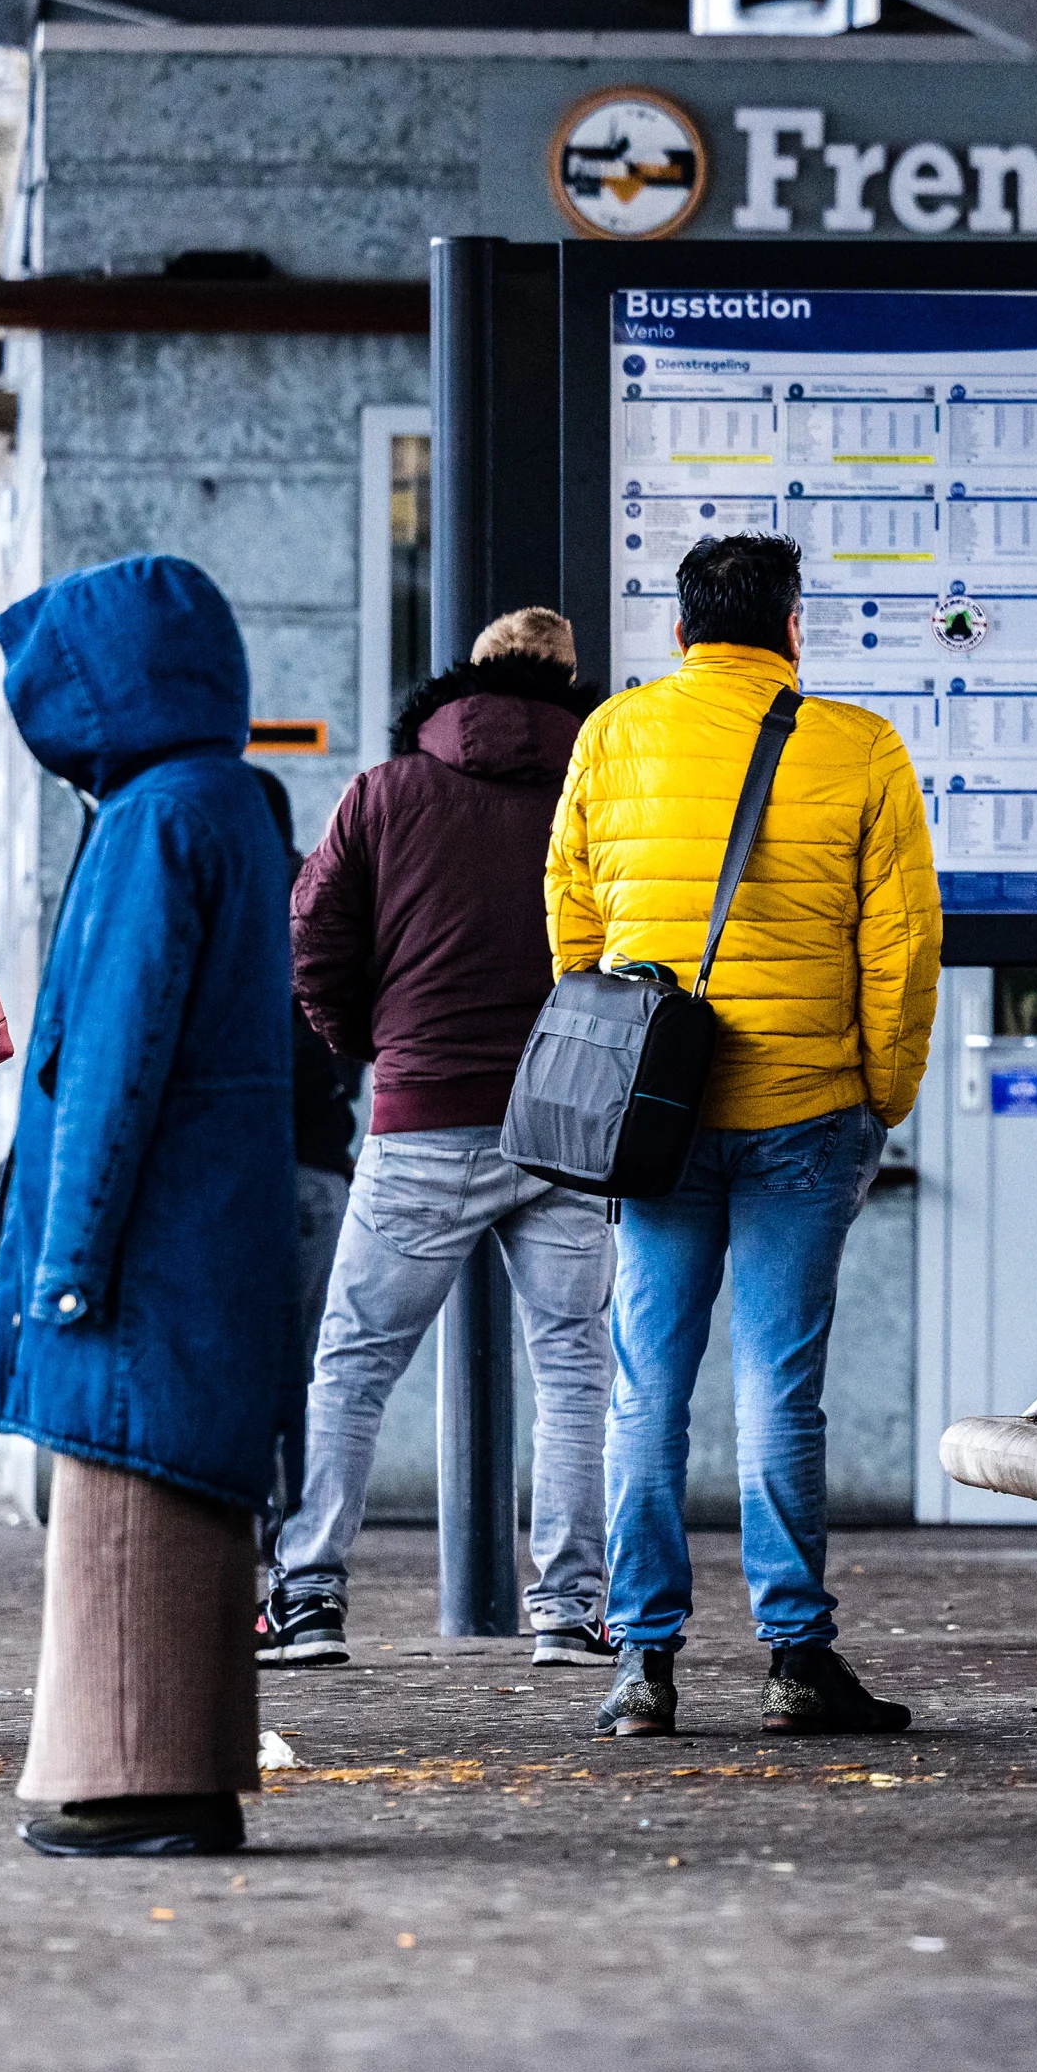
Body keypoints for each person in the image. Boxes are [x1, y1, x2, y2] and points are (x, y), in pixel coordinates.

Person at [547, 533, 939, 1738]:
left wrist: (617, 1060)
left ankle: (643, 1665)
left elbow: (571, 914)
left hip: (656, 1121)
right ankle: (794, 1660)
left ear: (679, 631)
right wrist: (883, 1091)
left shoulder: (612, 736)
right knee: (779, 1384)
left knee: (645, 1385)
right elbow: (902, 946)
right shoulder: (860, 745)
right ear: (793, 628)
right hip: (806, 1110)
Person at [0, 554, 296, 1860]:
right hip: (212, 1216)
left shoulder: (154, 819)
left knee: (119, 1498)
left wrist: (66, 1263)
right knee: (189, 1496)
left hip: (143, 1235)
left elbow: (109, 1060)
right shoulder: (229, 802)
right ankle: (188, 1768)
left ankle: (128, 1780)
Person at [263, 625, 611, 1669]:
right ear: (568, 683)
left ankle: (312, 1596)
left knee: (354, 1364)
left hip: (424, 1111)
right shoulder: (600, 789)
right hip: (570, 1118)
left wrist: (373, 1044)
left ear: (461, 678)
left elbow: (311, 935)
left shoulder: (385, 791)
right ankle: (570, 1611)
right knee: (575, 1371)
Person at [247, 764, 368, 1551]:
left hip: (253, 1166)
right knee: (310, 1362)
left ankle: (270, 1526)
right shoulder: (318, 902)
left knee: (256, 1358)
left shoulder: (231, 902)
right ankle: (292, 1539)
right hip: (319, 1160)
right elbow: (343, 1035)